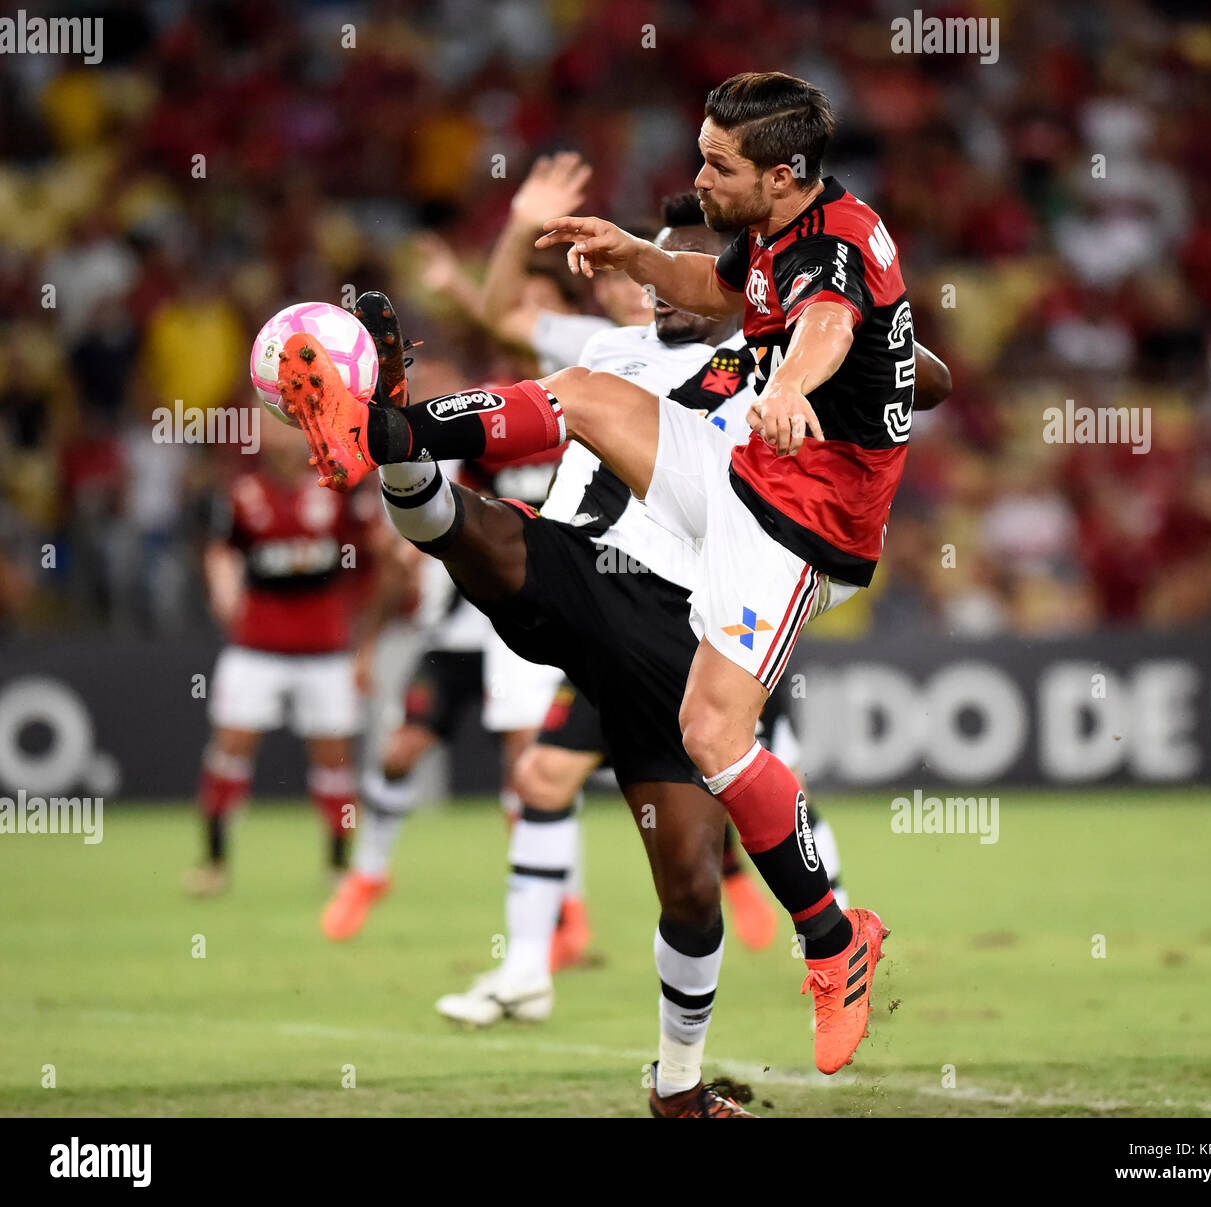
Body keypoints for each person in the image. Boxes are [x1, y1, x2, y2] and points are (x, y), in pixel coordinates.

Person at [282, 72, 940, 1075]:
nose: (697, 175)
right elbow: (725, 293)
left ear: (782, 173)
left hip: (801, 522)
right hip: (741, 476)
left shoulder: (833, 251)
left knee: (711, 734)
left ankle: (832, 938)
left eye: (717, 165)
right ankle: (383, 430)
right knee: (586, 391)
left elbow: (826, 325)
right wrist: (635, 254)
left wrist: (793, 389)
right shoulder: (780, 223)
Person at [184, 416, 377, 895]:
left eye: (292, 426)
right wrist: (224, 588)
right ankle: (213, 861)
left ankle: (338, 866)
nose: (283, 438)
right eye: (274, 427)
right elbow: (221, 550)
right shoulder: (242, 493)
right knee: (228, 750)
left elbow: (369, 560)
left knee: (334, 760)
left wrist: (364, 639)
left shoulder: (339, 488)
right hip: (257, 646)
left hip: (325, 647)